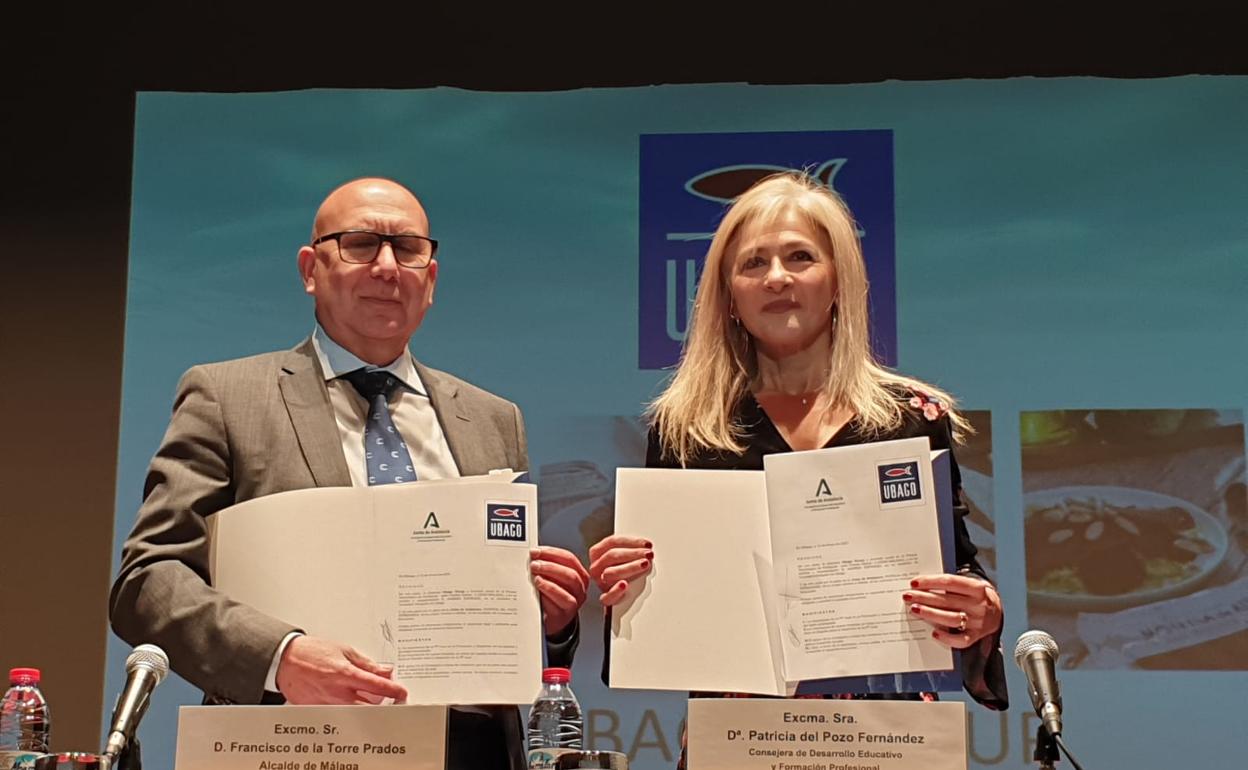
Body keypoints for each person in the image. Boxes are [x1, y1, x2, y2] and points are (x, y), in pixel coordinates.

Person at [110, 177, 590, 770]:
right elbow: (149, 581)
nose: (388, 266)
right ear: (311, 269)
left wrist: (548, 614)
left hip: (470, 748)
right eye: (361, 244)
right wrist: (279, 657)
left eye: (408, 249)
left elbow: (504, 603)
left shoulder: (494, 419)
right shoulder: (227, 396)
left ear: (431, 280)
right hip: (294, 741)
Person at [588, 172, 1007, 767]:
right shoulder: (686, 428)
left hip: (886, 736)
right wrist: (628, 586)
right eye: (753, 263)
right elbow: (664, 620)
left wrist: (981, 609)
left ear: (838, 280)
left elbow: (956, 566)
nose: (777, 278)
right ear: (727, 294)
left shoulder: (911, 418)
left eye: (800, 257)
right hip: (741, 739)